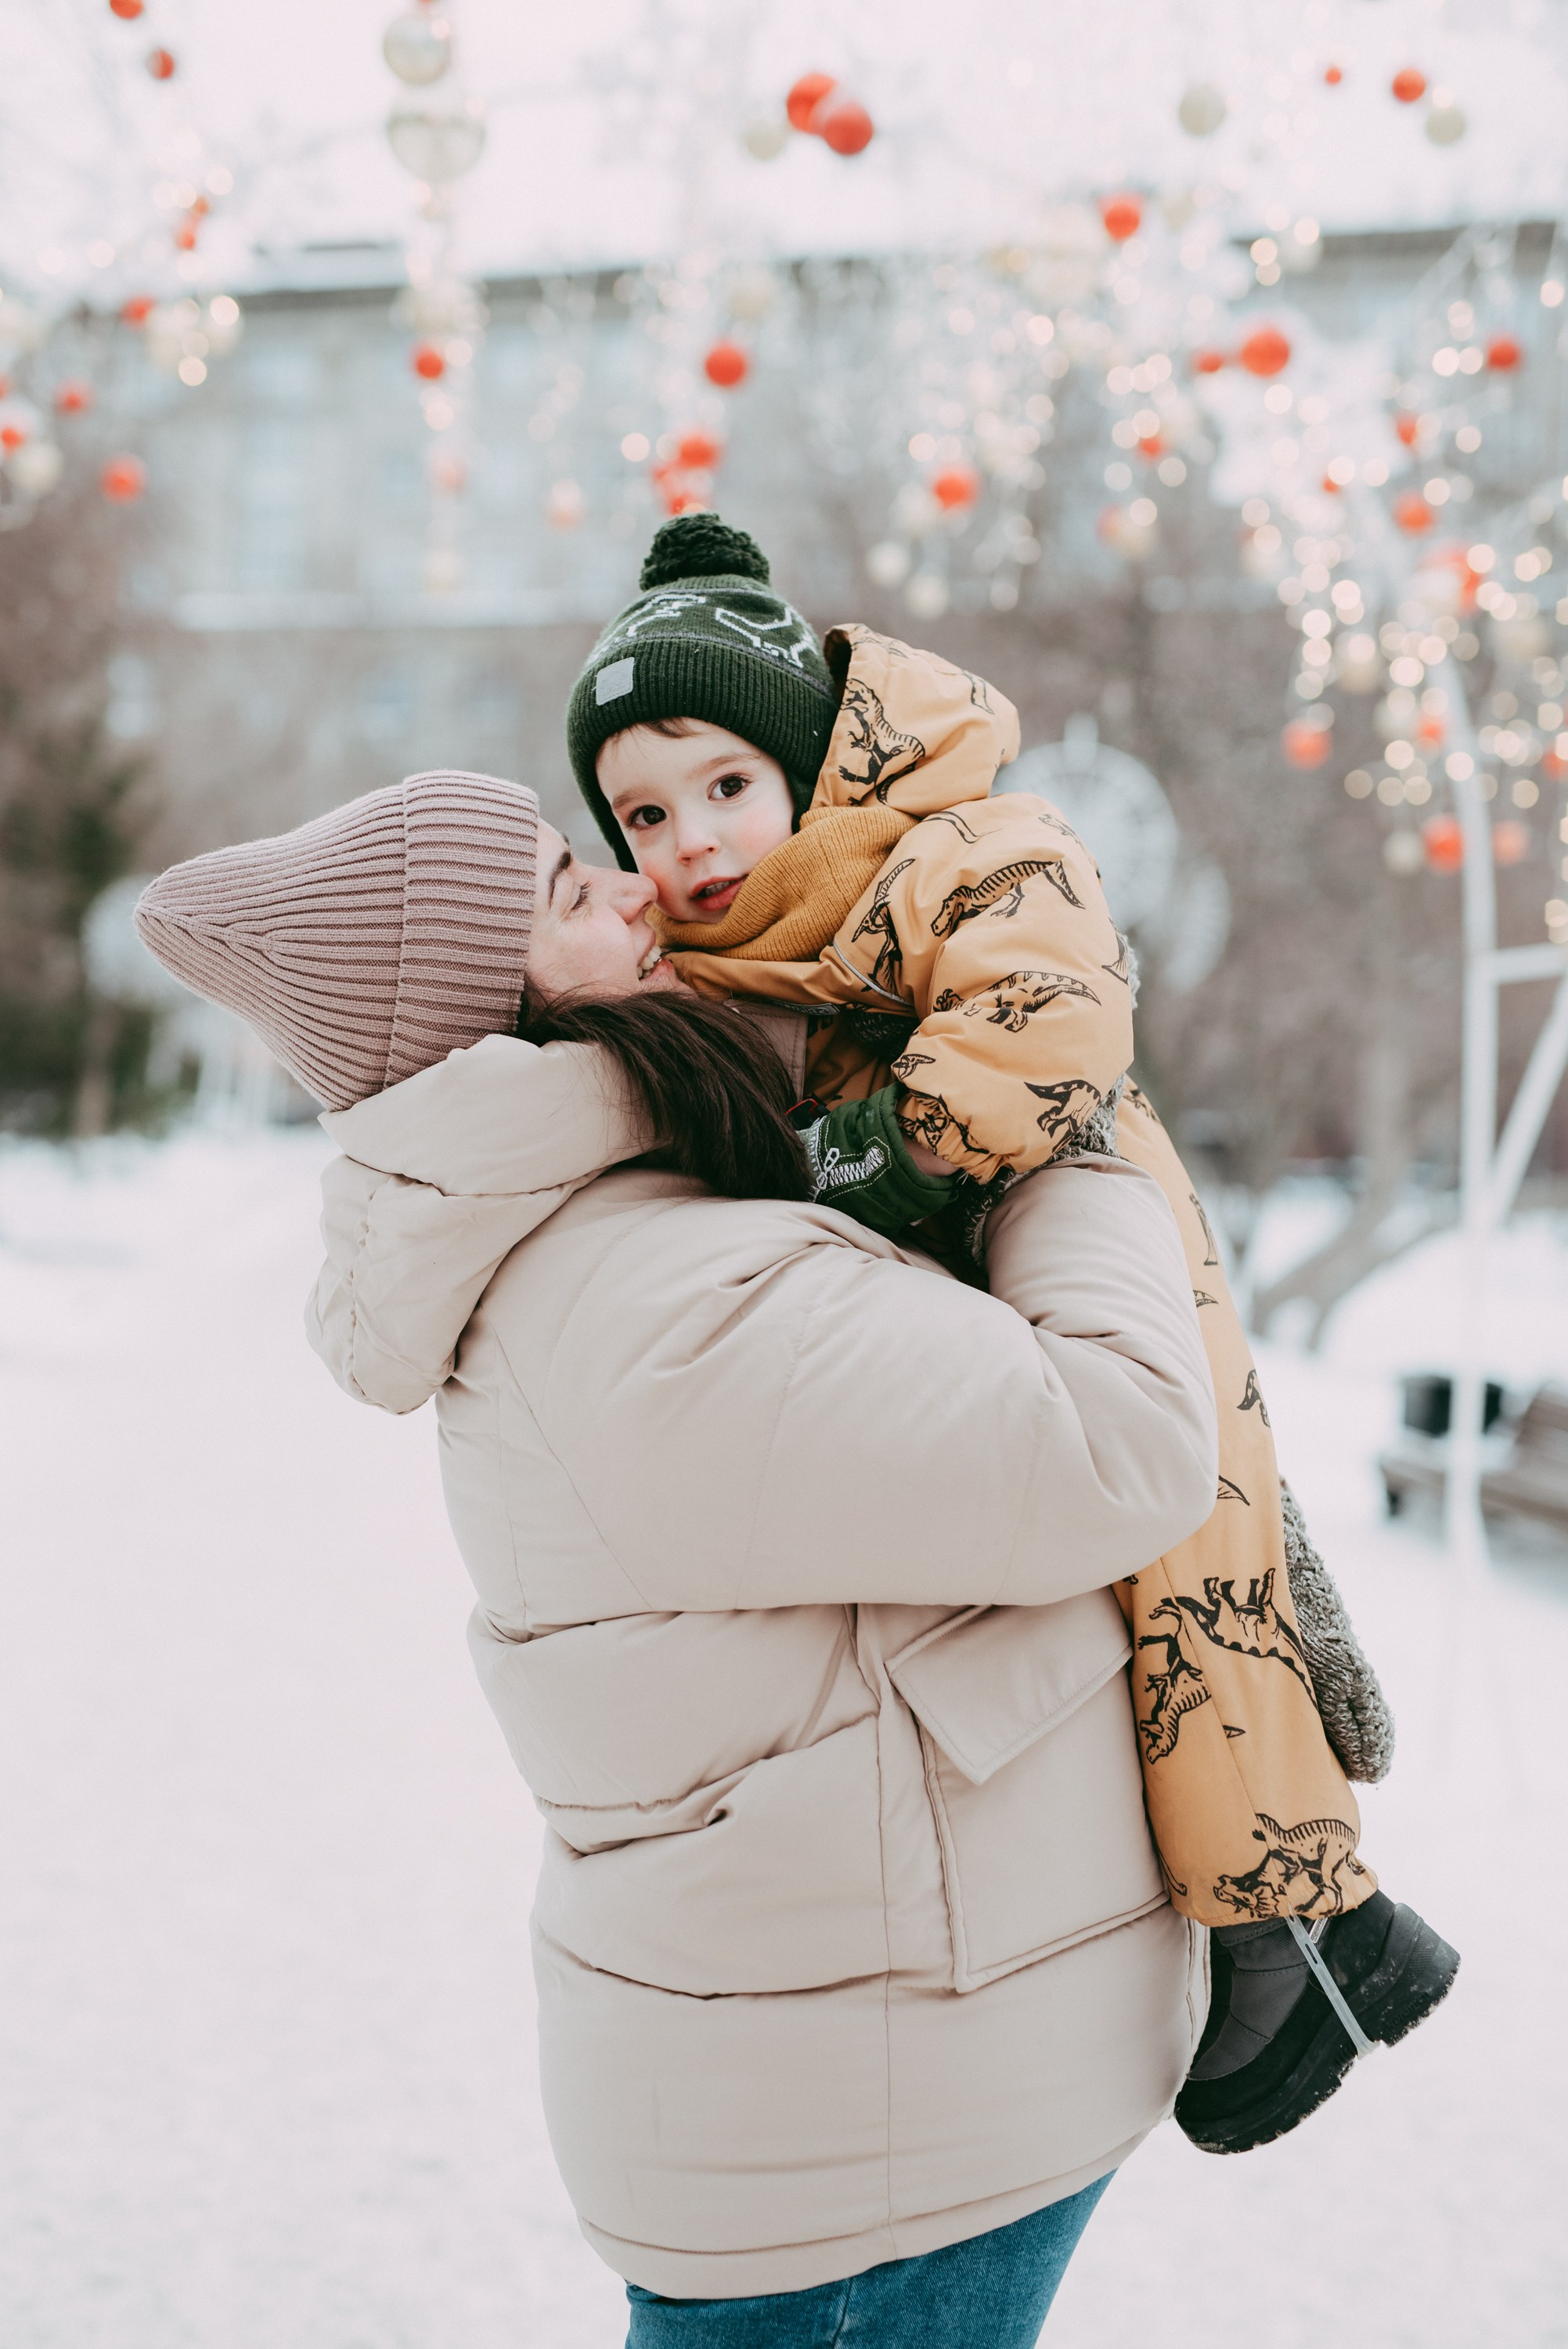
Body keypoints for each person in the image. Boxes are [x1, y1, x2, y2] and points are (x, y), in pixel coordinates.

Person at [134, 767, 1221, 2343]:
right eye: (576, 898)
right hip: (874, 2161)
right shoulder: (642, 1298)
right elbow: (1121, 1443)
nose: (640, 891)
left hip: (866, 2097)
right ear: (490, 1018)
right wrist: (1065, 1128)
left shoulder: (625, 1229)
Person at [565, 514, 1460, 2155]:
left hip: (1073, 1205)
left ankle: (1302, 1917)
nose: (687, 839)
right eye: (641, 812)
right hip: (964, 1291)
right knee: (1086, 1604)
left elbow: (1049, 1007)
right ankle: (1285, 1930)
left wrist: (870, 1158)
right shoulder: (714, 958)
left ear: (805, 761)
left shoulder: (962, 838)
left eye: (721, 786)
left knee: (1188, 1563)